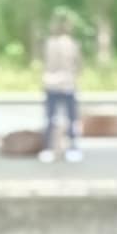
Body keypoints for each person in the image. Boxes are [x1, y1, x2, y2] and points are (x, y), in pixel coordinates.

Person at [39, 12, 84, 165]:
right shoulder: (73, 44)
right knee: (71, 118)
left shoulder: (48, 44)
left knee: (51, 118)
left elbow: (44, 64)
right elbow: (79, 65)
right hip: (68, 84)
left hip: (51, 84)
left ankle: (49, 149)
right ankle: (72, 148)